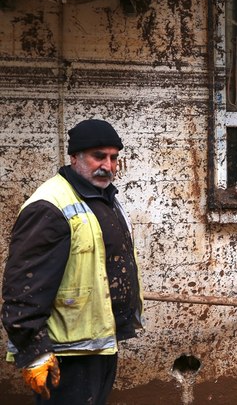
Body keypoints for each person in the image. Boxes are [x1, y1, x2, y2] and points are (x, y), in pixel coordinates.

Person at [1, 119, 143, 404]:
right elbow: (23, 286)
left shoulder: (104, 199)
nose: (108, 165)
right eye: (98, 156)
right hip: (63, 355)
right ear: (74, 157)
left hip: (98, 345)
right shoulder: (49, 205)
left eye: (114, 157)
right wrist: (34, 352)